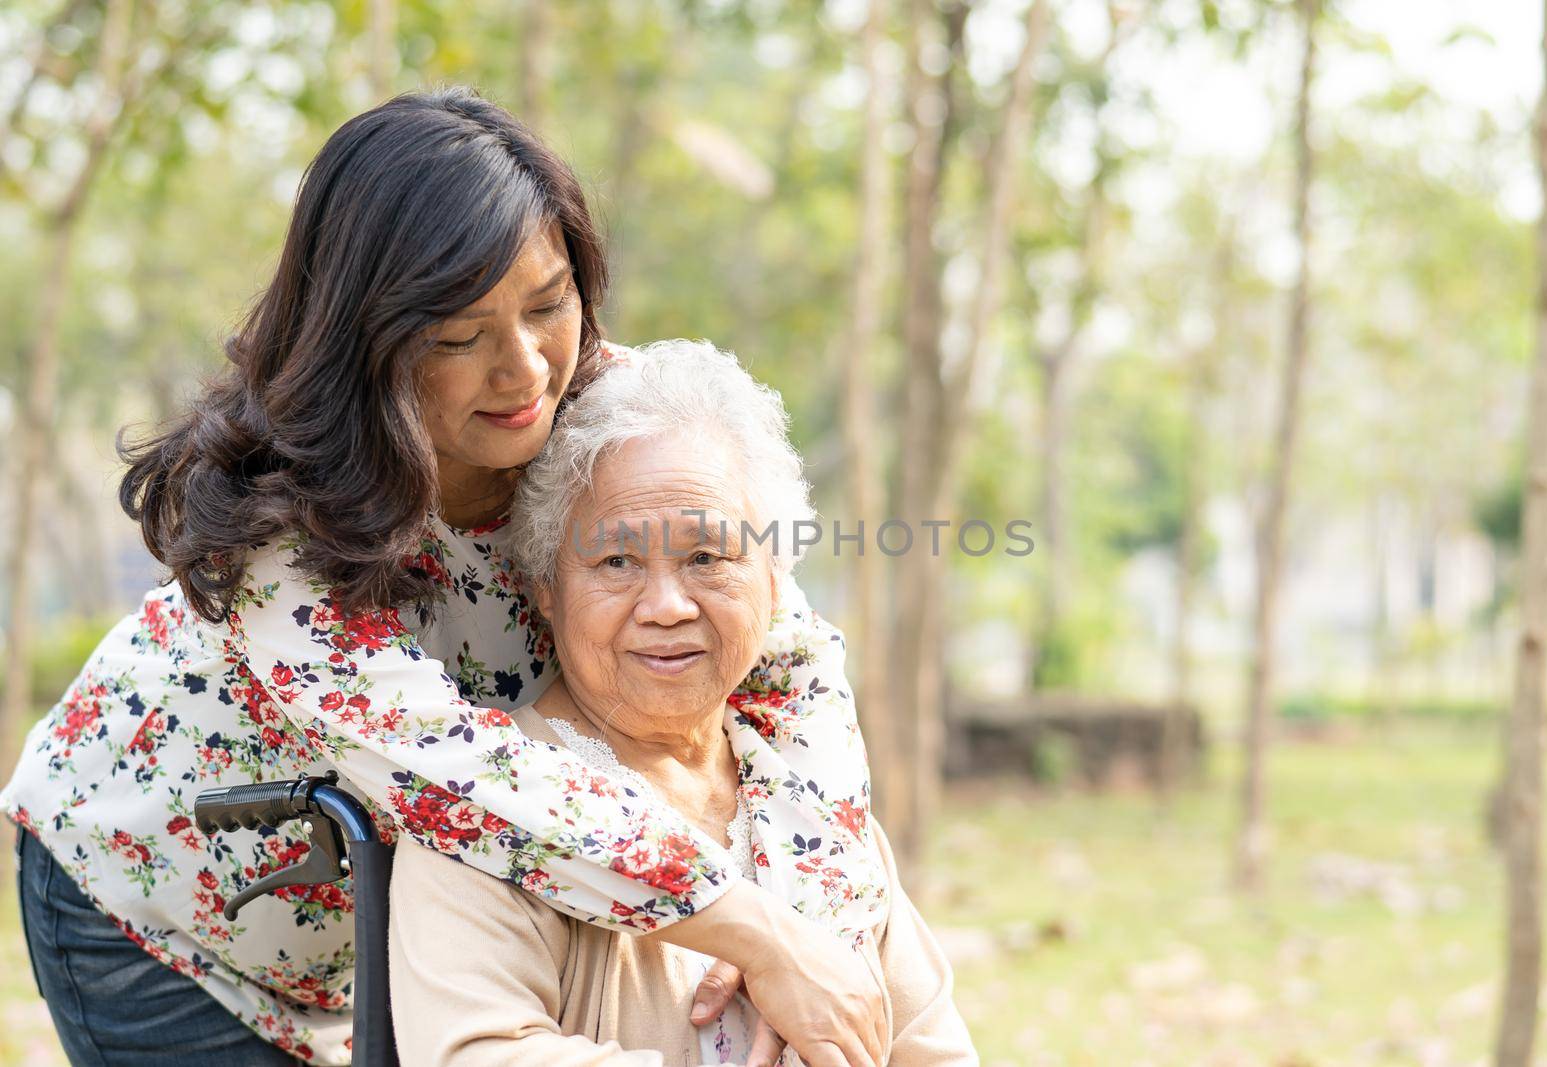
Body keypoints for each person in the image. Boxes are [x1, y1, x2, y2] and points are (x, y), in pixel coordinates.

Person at [2, 88, 886, 1067]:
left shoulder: (610, 416)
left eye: (549, 304)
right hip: (156, 913)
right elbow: (473, 783)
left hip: (354, 932)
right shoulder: (279, 533)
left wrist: (813, 925)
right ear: (366, 336)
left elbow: (787, 658)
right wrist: (754, 930)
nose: (523, 370)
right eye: (458, 336)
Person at [388, 340, 976, 1066]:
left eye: (706, 556)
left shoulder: (807, 792)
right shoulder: (483, 815)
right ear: (546, 586)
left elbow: (929, 1045)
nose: (666, 606)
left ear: (773, 579)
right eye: (616, 561)